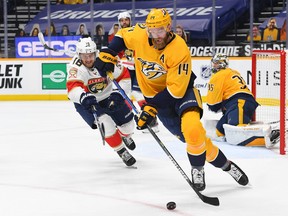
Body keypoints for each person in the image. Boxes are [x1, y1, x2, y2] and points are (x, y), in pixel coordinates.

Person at [94, 8, 249, 191]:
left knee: (192, 130)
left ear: (169, 27)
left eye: (160, 30)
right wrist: (109, 52)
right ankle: (227, 166)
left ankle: (197, 169)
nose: (156, 35)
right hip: (157, 100)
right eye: (152, 31)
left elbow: (175, 91)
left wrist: (151, 107)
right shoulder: (141, 34)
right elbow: (122, 35)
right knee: (196, 141)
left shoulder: (179, 48)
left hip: (182, 93)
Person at [66, 37, 136, 167]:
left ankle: (125, 135)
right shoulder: (75, 66)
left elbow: (124, 75)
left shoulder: (106, 58)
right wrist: (84, 97)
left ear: (96, 53)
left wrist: (117, 94)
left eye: (90, 55)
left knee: (128, 126)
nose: (88, 59)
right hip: (88, 101)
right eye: (84, 56)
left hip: (110, 95)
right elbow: (72, 88)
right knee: (106, 124)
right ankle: (121, 150)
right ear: (79, 55)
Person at [206, 54, 280, 148]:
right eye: (214, 63)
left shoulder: (217, 76)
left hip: (239, 103)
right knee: (220, 131)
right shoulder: (233, 72)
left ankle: (270, 135)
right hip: (242, 103)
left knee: (238, 132)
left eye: (216, 64)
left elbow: (213, 105)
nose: (214, 66)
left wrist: (216, 106)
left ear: (221, 65)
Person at [116, 11, 159, 133]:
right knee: (126, 94)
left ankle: (152, 120)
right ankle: (128, 121)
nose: (124, 22)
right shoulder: (120, 35)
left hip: (140, 68)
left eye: (126, 19)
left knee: (139, 93)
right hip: (128, 70)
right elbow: (117, 53)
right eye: (122, 20)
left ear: (130, 20)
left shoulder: (136, 32)